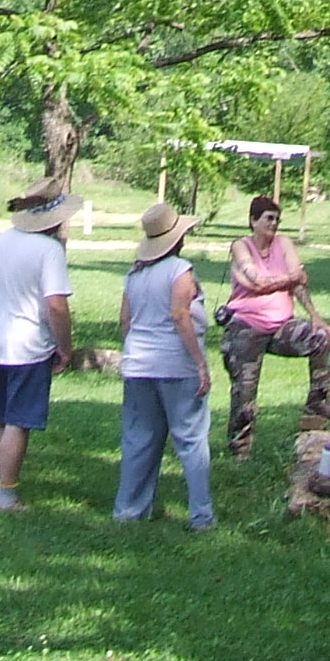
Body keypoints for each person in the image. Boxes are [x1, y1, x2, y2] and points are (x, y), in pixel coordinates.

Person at [113, 202, 214, 531]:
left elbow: (125, 320)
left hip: (138, 365)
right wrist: (200, 363)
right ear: (177, 238)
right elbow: (180, 315)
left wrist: (136, 350)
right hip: (176, 364)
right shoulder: (180, 270)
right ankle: (201, 515)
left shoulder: (134, 274)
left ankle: (129, 511)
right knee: (191, 439)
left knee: (140, 439)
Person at [0, 182, 79, 512]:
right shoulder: (49, 250)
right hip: (29, 344)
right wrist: (65, 347)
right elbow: (56, 305)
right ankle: (7, 495)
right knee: (18, 422)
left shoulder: (0, 242)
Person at [220, 194, 330, 459]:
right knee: (245, 392)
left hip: (281, 324)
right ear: (253, 220)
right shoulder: (241, 246)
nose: (274, 224)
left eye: (277, 219)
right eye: (268, 218)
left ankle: (318, 399)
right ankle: (240, 449)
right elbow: (256, 282)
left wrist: (315, 316)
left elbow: (298, 284)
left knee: (320, 338)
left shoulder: (284, 243)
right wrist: (290, 277)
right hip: (246, 326)